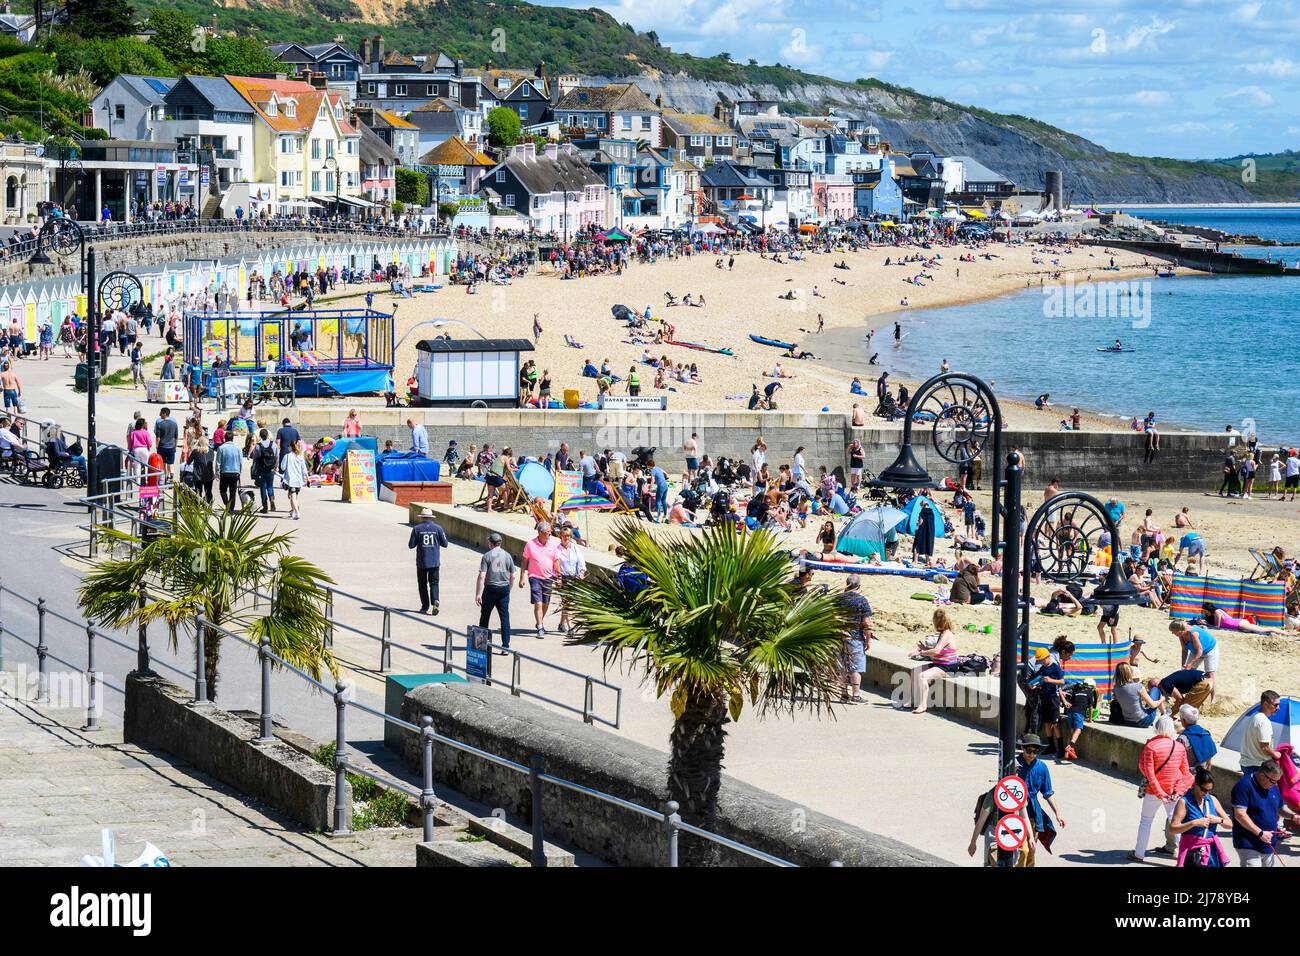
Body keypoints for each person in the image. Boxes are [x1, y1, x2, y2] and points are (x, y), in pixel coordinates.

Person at [1129, 715, 1192, 863]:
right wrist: (1178, 791)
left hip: (1154, 791)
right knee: (1176, 823)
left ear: (1157, 727)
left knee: (1145, 821)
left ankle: (1139, 853)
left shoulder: (1150, 746)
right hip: (1173, 792)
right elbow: (1185, 772)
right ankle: (1186, 857)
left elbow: (1147, 772)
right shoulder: (1179, 746)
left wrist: (1160, 792)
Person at [1231, 759, 1300, 867]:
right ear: (1262, 775)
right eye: (1273, 781)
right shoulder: (1244, 786)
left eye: (1277, 781)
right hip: (1249, 843)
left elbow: (1281, 808)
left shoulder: (1273, 787)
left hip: (1268, 844)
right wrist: (1260, 833)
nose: (1275, 784)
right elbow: (1240, 814)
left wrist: (1293, 816)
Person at [1017, 734, 1065, 864]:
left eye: (1035, 752)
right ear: (1022, 748)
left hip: (1034, 812)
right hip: (1017, 812)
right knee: (1023, 851)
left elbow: (1048, 793)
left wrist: (1057, 813)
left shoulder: (1042, 767)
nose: (1032, 755)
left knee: (1032, 850)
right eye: (1028, 751)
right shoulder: (1015, 765)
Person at [1171, 767, 1231, 868]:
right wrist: (1194, 823)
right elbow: (1172, 829)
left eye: (1209, 790)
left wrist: (1219, 820)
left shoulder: (1212, 799)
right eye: (1203, 789)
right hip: (1192, 852)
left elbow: (1230, 824)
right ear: (1195, 784)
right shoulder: (1184, 802)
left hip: (1211, 851)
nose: (1206, 793)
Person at [908, 609, 959, 714]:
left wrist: (921, 652)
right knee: (914, 672)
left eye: (935, 620)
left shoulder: (947, 634)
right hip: (939, 664)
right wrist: (924, 648)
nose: (934, 622)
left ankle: (922, 705)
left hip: (948, 667)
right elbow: (937, 652)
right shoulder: (942, 633)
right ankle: (912, 700)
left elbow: (936, 651)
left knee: (922, 676)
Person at [519, 521, 561, 638]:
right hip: (535, 577)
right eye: (548, 532)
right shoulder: (530, 544)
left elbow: (556, 562)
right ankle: (540, 626)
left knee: (545, 603)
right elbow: (524, 562)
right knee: (538, 603)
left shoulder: (552, 545)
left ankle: (539, 621)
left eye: (550, 532)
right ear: (540, 532)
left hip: (549, 577)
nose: (550, 534)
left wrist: (559, 577)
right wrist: (522, 577)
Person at [476, 532, 516, 653]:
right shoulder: (507, 555)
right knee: (504, 617)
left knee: (485, 616)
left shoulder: (487, 556)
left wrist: (478, 593)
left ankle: (481, 644)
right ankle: (505, 646)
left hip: (490, 588)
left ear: (491, 543)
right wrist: (509, 589)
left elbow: (482, 576)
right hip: (504, 588)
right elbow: (513, 576)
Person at [837, 574, 873, 704]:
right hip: (855, 636)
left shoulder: (837, 598)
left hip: (838, 636)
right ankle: (856, 695)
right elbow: (866, 622)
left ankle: (843, 694)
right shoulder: (861, 600)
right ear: (859, 586)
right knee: (855, 667)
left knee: (842, 666)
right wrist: (868, 639)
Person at [408, 508, 450, 615]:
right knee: (434, 583)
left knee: (422, 584)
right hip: (435, 562)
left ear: (422, 517)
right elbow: (445, 544)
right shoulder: (438, 528)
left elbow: (411, 545)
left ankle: (425, 606)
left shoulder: (417, 529)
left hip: (422, 562)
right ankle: (435, 600)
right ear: (431, 517)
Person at [553, 525, 587, 636]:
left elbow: (581, 562)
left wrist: (581, 573)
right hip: (563, 579)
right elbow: (555, 564)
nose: (566, 538)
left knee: (567, 602)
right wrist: (557, 578)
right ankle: (571, 627)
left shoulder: (575, 548)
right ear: (560, 537)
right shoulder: (557, 549)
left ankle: (561, 624)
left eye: (568, 536)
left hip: (574, 578)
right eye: (564, 536)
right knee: (568, 603)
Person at [1240, 690, 1283, 772]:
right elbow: (1265, 747)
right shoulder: (1264, 721)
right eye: (1276, 705)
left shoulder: (1254, 716)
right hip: (1257, 766)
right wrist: (1276, 754)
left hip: (1246, 763)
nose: (1278, 708)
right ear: (1266, 704)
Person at [1112, 661, 1163, 727]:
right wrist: (1162, 699)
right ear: (1129, 672)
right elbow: (1153, 705)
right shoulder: (1138, 686)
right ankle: (1164, 713)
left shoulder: (1116, 688)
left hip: (1127, 721)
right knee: (1155, 689)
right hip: (1143, 721)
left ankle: (1164, 713)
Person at [1176, 704, 1217, 773]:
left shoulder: (1183, 738)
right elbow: (1209, 758)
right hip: (1202, 774)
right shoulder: (1206, 734)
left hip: (1187, 774)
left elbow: (1176, 758)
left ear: (1184, 721)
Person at [250, 428, 279, 513]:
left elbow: (255, 458)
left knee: (263, 487)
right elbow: (277, 457)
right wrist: (275, 467)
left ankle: (265, 506)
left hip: (262, 469)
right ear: (267, 435)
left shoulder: (258, 446)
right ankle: (272, 499)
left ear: (260, 436)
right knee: (270, 486)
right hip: (271, 469)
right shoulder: (273, 444)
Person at [281, 439, 308, 520]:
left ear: (290, 447)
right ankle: (293, 511)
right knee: (295, 497)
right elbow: (304, 468)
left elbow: (282, 467)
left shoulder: (287, 456)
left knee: (292, 496)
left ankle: (297, 512)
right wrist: (307, 477)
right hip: (299, 480)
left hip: (291, 480)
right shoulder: (300, 456)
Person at [216, 432, 244, 510]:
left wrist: (217, 472)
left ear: (225, 438)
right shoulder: (238, 448)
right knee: (233, 491)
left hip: (224, 472)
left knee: (222, 490)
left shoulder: (221, 448)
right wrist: (240, 472)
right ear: (232, 438)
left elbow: (218, 462)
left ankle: (227, 503)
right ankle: (231, 508)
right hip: (235, 472)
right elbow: (241, 461)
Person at [154, 407, 179, 481]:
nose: (160, 414)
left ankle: (164, 477)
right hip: (171, 447)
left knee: (163, 463)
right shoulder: (174, 424)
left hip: (162, 447)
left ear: (164, 414)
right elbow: (176, 437)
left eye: (161, 413)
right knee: (171, 464)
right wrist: (175, 446)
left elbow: (158, 438)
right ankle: (170, 478)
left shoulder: (159, 424)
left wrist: (157, 446)